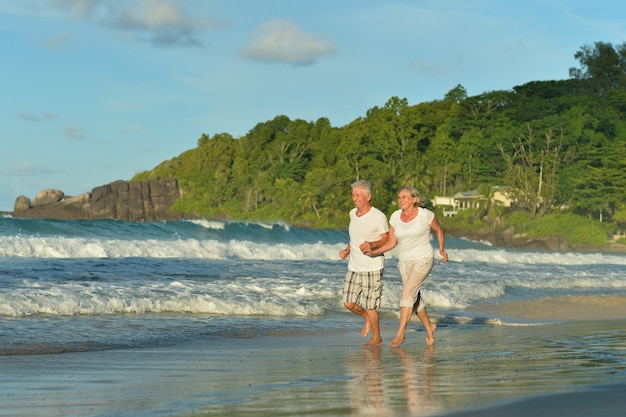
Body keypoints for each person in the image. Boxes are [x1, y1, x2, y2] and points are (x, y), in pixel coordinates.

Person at [361, 186, 448, 347]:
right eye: (399, 197)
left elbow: (439, 230)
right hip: (404, 262)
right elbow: (392, 242)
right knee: (414, 298)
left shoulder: (425, 215)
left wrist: (441, 249)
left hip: (424, 259)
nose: (401, 200)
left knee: (407, 293)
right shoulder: (394, 217)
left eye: (404, 197)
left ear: (414, 199)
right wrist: (374, 251)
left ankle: (400, 334)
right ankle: (429, 327)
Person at [339, 180, 390, 347]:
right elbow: (355, 237)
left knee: (370, 306)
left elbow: (386, 238)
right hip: (354, 265)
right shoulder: (352, 213)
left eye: (358, 195)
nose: (354, 198)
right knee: (349, 303)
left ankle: (377, 338)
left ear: (368, 197)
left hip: (372, 266)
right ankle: (366, 318)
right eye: (353, 195)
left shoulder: (378, 216)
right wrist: (347, 249)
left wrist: (372, 245)